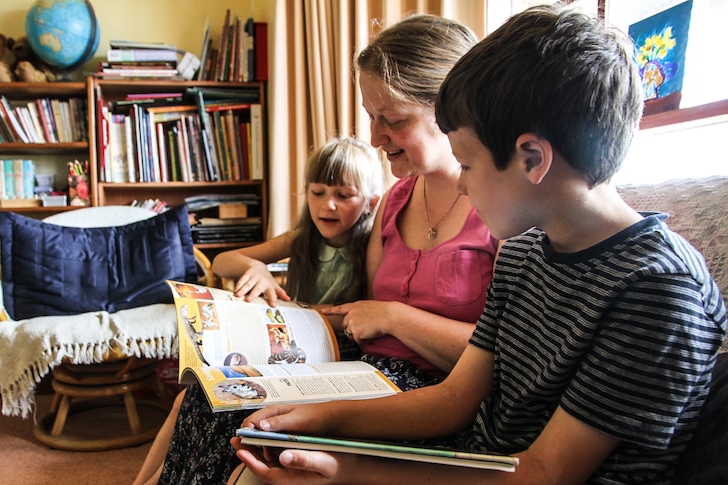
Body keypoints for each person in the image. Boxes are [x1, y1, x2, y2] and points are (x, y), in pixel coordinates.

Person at [231, 5, 727, 484]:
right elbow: (455, 399)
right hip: (478, 458)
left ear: (533, 158)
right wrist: (324, 418)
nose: (461, 187)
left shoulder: (658, 291)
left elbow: (542, 474)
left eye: (466, 164)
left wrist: (353, 473)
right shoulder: (525, 252)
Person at [136, 15, 499, 485]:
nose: (374, 137)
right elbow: (358, 308)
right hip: (363, 368)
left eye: (393, 120)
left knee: (262, 443)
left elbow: (501, 356)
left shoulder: (499, 210)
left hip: (431, 393)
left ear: (452, 107)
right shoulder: (394, 201)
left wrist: (393, 317)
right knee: (213, 396)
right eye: (371, 116)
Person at [134, 136, 385, 485]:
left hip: (336, 358)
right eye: (317, 192)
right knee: (187, 400)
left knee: (216, 407)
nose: (327, 205)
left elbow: (369, 314)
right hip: (290, 350)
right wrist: (258, 267)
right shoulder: (302, 238)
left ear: (371, 203)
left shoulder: (372, 245)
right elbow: (224, 261)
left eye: (343, 196)